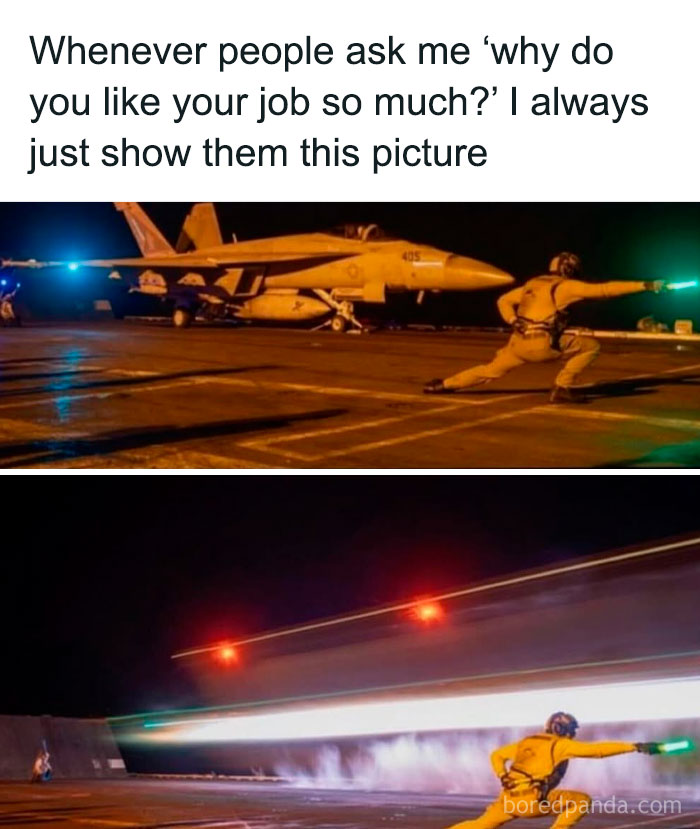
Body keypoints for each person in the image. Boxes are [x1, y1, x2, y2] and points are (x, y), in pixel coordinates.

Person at [424, 253, 665, 403]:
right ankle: (563, 386)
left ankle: (443, 385)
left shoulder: (533, 284)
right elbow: (604, 289)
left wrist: (512, 320)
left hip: (517, 345)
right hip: (541, 346)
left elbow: (503, 300)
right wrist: (645, 285)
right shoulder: (565, 287)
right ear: (569, 269)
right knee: (591, 346)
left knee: (489, 370)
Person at [445, 712, 661, 829]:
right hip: (532, 802)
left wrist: (502, 775)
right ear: (562, 729)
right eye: (571, 730)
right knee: (581, 800)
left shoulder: (527, 741)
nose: (572, 735)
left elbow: (497, 755)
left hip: (508, 801)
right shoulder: (559, 745)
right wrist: (634, 746)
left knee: (478, 825)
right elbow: (597, 751)